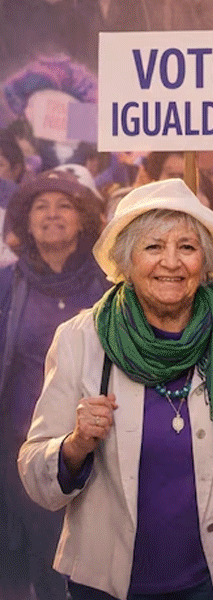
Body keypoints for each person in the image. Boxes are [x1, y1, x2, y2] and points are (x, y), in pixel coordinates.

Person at [17, 179, 213, 600]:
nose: (171, 262)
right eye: (153, 247)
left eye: (187, 247)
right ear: (126, 259)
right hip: (110, 584)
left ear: (205, 261)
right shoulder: (81, 339)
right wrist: (75, 445)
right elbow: (35, 473)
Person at [0, 168, 110, 600]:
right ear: (25, 224)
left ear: (83, 220)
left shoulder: (109, 284)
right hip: (24, 448)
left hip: (101, 445)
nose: (52, 214)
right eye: (40, 207)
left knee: (99, 561)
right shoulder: (7, 285)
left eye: (64, 205)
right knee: (43, 561)